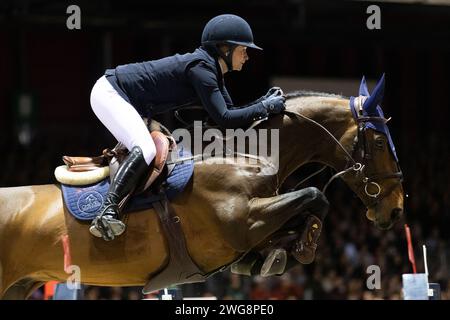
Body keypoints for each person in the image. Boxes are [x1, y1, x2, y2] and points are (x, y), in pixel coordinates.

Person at [88, 14, 286, 241]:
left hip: (126, 99)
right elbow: (225, 119)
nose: (247, 56)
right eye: (244, 49)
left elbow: (231, 117)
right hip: (110, 93)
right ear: (225, 49)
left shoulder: (212, 71)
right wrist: (265, 107)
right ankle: (107, 211)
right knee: (146, 148)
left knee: (148, 148)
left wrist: (262, 104)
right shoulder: (202, 69)